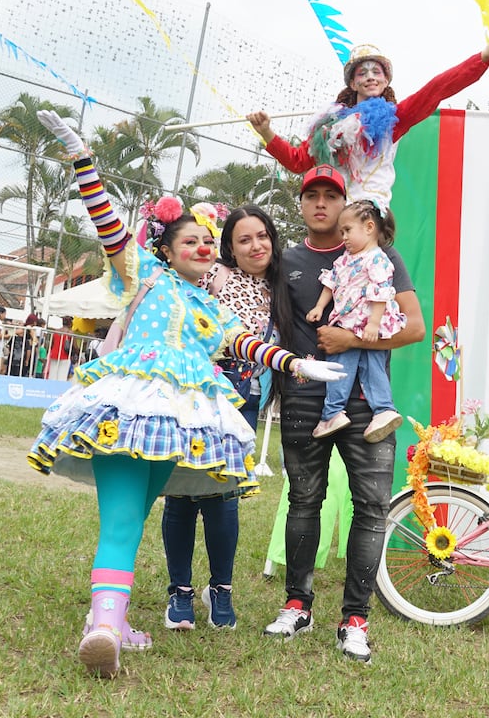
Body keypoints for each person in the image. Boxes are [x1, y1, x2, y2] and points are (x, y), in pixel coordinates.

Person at [27, 110, 345, 678]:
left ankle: (110, 619)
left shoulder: (209, 306)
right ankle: (105, 627)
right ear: (168, 250)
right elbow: (107, 221)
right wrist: (81, 158)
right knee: (122, 519)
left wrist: (296, 363)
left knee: (131, 517)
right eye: (190, 241)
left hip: (172, 423)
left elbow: (248, 345)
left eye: (206, 242)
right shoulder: (143, 275)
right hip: (129, 406)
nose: (201, 247)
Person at [263, 164, 425, 663]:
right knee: (304, 501)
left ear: (345, 204)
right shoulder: (286, 260)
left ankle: (355, 619)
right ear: (300, 204)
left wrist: (351, 339)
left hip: (366, 406)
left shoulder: (382, 256)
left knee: (371, 507)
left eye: (330, 196)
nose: (320, 203)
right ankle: (297, 605)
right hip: (304, 400)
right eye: (310, 195)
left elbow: (414, 327)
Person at [161, 203, 288, 632]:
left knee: (223, 494)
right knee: (181, 492)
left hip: (244, 400)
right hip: (196, 393)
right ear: (229, 248)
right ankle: (179, 591)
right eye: (243, 239)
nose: (256, 245)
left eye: (262, 236)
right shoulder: (214, 274)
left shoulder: (281, 287)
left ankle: (221, 589)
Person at [247, 29, 489, 207]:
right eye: (362, 73)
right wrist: (266, 132)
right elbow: (298, 162)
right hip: (334, 212)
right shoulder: (329, 128)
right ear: (353, 83)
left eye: (376, 72)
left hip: (369, 213)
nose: (370, 76)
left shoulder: (395, 119)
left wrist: (485, 55)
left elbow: (437, 89)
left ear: (385, 80)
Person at [305, 200, 405, 441]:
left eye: (348, 230)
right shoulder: (345, 259)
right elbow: (331, 282)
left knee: (373, 367)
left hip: (369, 324)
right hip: (348, 322)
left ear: (369, 227)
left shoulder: (377, 258)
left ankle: (382, 409)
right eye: (342, 232)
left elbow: (381, 292)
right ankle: (334, 412)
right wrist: (319, 306)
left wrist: (374, 324)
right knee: (342, 366)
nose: (344, 237)